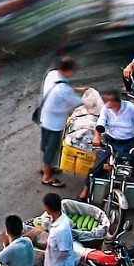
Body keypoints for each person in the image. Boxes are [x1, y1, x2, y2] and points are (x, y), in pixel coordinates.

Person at [83, 90, 134, 209]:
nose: (106, 104)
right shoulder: (106, 109)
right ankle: (85, 193)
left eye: (108, 101)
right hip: (111, 141)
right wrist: (97, 136)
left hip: (129, 143)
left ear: (116, 101)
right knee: (96, 168)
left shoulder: (131, 109)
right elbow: (100, 125)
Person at [37, 54, 82, 185]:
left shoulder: (52, 75)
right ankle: (47, 176)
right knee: (52, 148)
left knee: (46, 145)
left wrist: (78, 89)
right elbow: (79, 102)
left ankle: (46, 166)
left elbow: (65, 89)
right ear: (68, 70)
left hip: (44, 118)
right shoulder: (63, 90)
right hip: (55, 124)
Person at [27, 192, 77, 266]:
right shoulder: (55, 218)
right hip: (50, 263)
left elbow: (64, 251)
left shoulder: (62, 229)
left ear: (48, 207)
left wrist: (50, 248)